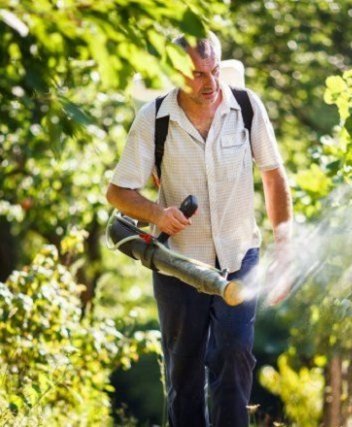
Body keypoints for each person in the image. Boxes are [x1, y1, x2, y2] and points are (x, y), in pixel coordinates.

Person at [105, 32, 293, 426]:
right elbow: (118, 192)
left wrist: (285, 245)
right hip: (179, 268)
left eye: (214, 71)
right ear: (176, 72)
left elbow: (274, 175)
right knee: (184, 378)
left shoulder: (245, 106)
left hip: (239, 261)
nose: (210, 84)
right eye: (197, 75)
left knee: (234, 363)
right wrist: (157, 214)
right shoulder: (154, 119)